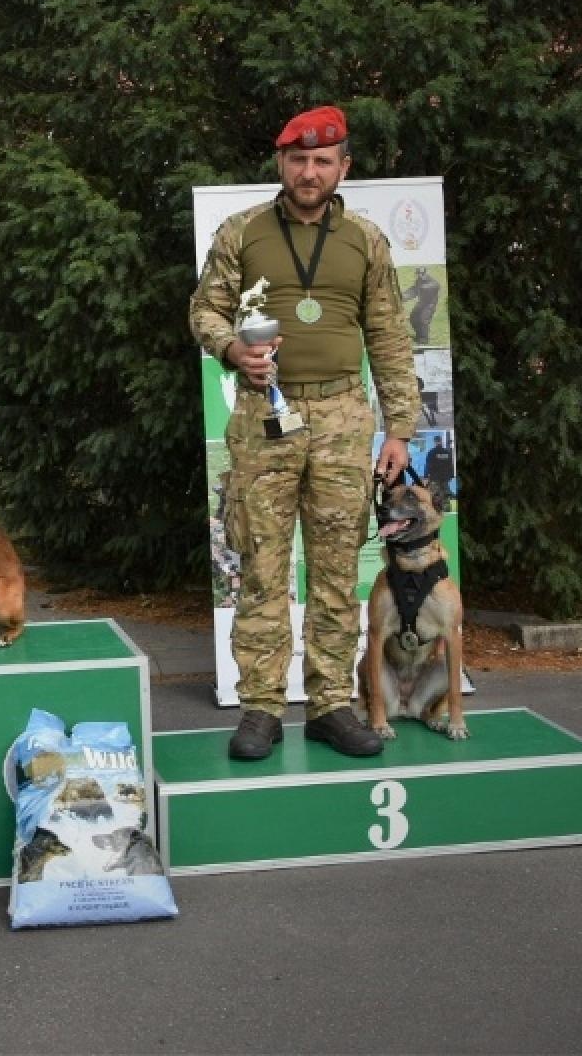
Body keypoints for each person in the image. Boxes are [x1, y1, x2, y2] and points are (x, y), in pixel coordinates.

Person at [189, 105, 420, 760]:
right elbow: (205, 308)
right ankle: (261, 705)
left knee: (336, 567)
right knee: (261, 563)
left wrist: (399, 427)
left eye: (323, 160)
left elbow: (391, 339)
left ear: (343, 167)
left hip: (347, 417)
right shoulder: (244, 231)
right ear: (282, 165)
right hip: (266, 416)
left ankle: (328, 704)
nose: (309, 171)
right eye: (298, 159)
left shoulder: (368, 241)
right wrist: (233, 349)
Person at [401, 266, 442, 344]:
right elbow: (413, 291)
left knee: (423, 320)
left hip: (430, 305)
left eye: (422, 274)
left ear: (425, 273)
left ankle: (423, 340)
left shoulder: (431, 280)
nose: (420, 275)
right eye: (418, 274)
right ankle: (419, 335)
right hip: (421, 303)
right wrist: (403, 297)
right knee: (413, 318)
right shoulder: (418, 281)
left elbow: (437, 285)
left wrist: (425, 287)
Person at [424, 434, 456, 501]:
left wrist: (426, 476)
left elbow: (428, 465)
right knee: (445, 491)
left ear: (435, 442)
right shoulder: (446, 452)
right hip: (445, 476)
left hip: (435, 477)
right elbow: (450, 464)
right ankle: (448, 507)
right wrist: (451, 475)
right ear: (441, 441)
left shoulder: (431, 453)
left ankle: (438, 507)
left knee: (435, 493)